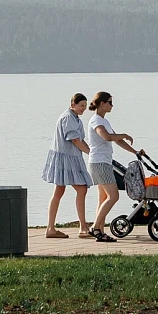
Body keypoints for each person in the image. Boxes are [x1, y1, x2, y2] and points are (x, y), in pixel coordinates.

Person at [86, 91, 143, 242]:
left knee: (103, 198)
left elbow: (116, 140)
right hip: (99, 163)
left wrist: (135, 152)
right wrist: (124, 134)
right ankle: (95, 228)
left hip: (103, 162)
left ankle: (99, 230)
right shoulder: (96, 121)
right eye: (110, 102)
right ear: (102, 104)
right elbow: (107, 137)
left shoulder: (104, 121)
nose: (112, 105)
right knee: (114, 196)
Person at [41, 93, 93, 239]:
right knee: (81, 188)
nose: (83, 108)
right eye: (81, 105)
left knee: (60, 191)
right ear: (73, 105)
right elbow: (75, 141)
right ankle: (82, 227)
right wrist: (89, 153)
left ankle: (51, 228)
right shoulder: (68, 118)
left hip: (72, 157)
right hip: (66, 159)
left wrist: (91, 151)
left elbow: (81, 140)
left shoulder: (76, 119)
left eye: (84, 105)